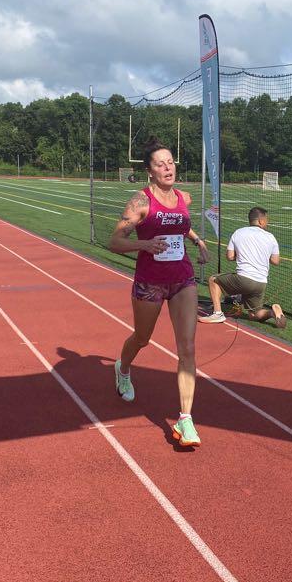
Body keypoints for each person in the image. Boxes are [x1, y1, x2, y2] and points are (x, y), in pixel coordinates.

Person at [109, 138, 209, 447]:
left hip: (182, 279)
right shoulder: (140, 202)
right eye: (160, 164)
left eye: (170, 162)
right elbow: (115, 241)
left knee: (187, 347)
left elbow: (180, 224)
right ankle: (123, 368)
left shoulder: (183, 197)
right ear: (150, 172)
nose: (167, 167)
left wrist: (197, 240)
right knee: (142, 338)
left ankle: (185, 419)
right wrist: (145, 244)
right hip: (150, 281)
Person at [199, 206, 286, 328]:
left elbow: (230, 256)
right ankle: (272, 313)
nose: (268, 222)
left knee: (213, 280)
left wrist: (242, 255)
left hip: (243, 279)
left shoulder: (238, 232)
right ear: (261, 221)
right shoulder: (270, 237)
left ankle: (217, 313)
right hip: (261, 283)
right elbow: (275, 261)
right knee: (254, 315)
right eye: (267, 220)